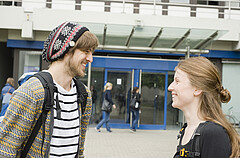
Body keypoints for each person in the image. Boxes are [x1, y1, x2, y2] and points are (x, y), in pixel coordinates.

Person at [0, 21, 99, 157]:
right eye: (86, 51)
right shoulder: (31, 92)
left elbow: (79, 149)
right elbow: (5, 149)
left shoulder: (84, 95)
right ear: (66, 50)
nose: (90, 59)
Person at [168, 56, 240, 158]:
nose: (170, 87)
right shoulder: (187, 130)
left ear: (198, 89)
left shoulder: (213, 133)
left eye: (177, 81)